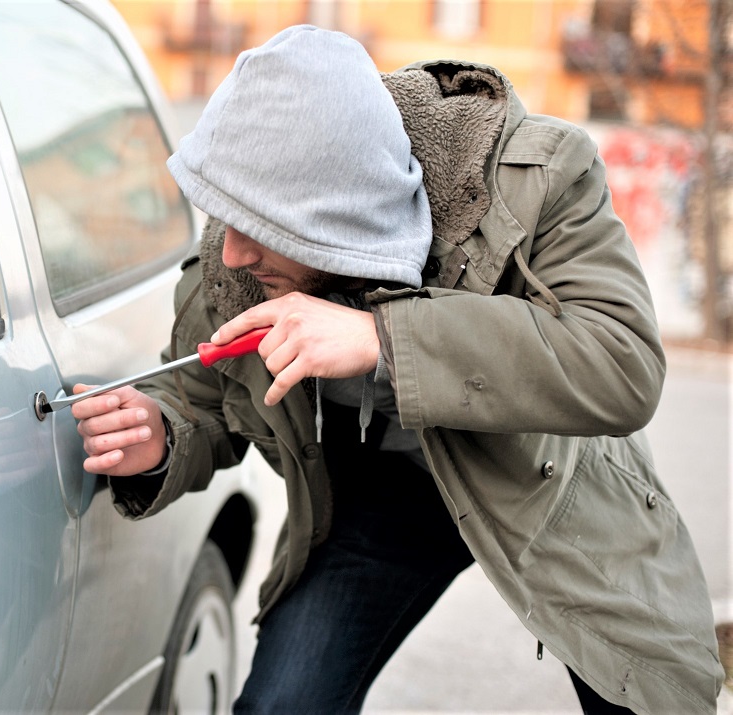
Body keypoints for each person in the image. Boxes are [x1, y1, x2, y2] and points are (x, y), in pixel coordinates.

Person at [71, 25, 724, 715]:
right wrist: (160, 432)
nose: (231, 253)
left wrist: (380, 336)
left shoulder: (537, 177)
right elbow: (204, 393)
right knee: (283, 704)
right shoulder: (236, 262)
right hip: (385, 499)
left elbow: (620, 361)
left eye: (257, 226)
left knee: (647, 701)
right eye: (224, 216)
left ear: (334, 213)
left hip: (548, 481)